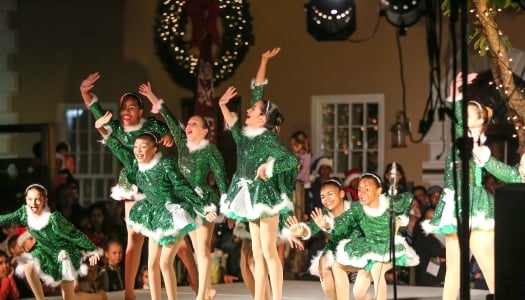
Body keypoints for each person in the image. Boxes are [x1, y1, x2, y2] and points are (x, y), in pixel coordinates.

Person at [423, 72, 523, 300]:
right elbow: (458, 122)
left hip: (476, 207)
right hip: (455, 205)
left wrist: (519, 173)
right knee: (454, 268)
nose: (462, 117)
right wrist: (456, 94)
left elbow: (507, 173)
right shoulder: (462, 140)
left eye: (469, 114)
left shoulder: (480, 149)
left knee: (489, 265)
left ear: (480, 121)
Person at [94, 117, 216, 300]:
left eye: (143, 147)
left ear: (154, 148)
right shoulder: (135, 165)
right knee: (152, 264)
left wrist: (204, 208)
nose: (138, 151)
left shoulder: (166, 165)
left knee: (165, 263)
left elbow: (183, 187)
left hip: (172, 214)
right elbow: (116, 146)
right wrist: (100, 128)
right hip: (153, 214)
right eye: (136, 147)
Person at [80, 72, 173, 300]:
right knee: (134, 239)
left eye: (132, 108)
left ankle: (187, 281)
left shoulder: (151, 124)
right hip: (132, 182)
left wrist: (169, 135)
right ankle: (129, 291)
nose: (126, 112)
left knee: (165, 240)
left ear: (141, 111)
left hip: (154, 182)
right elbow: (98, 114)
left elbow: (175, 130)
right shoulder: (119, 129)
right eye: (123, 108)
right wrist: (84, 91)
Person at [218, 47, 298, 300]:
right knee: (256, 251)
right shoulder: (244, 136)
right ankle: (260, 297)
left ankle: (276, 298)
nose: (249, 111)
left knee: (269, 251)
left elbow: (291, 159)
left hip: (265, 196)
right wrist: (222, 104)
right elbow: (251, 99)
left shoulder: (266, 138)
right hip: (248, 195)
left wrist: (269, 167)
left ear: (263, 119)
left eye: (254, 110)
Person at [138, 81, 229, 300]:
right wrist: (151, 94)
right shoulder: (181, 141)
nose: (189, 126)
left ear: (205, 131)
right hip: (181, 203)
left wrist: (227, 209)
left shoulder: (210, 151)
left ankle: (202, 294)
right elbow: (168, 116)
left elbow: (221, 178)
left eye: (195, 124)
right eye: (188, 123)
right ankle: (201, 291)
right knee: (171, 255)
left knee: (202, 249)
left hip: (203, 201)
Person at [0, 184, 102, 300]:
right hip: (43, 251)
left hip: (63, 253)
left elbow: (75, 234)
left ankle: (98, 297)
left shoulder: (54, 219)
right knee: (28, 264)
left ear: (44, 200)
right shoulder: (23, 213)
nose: (33, 203)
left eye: (37, 199)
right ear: (26, 200)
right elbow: (4, 219)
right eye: (30, 199)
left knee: (70, 298)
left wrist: (92, 249)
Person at [328, 173, 419, 300]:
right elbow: (343, 222)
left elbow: (408, 197)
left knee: (377, 268)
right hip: (369, 248)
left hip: (389, 248)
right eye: (359, 189)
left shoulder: (388, 203)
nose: (362, 193)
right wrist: (327, 223)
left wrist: (400, 218)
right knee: (358, 293)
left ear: (378, 191)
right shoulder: (358, 208)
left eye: (367, 189)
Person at [285, 177, 357, 300]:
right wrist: (300, 230)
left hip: (357, 247)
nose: (326, 199)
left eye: (330, 194)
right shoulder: (323, 213)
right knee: (323, 266)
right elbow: (311, 227)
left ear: (341, 194)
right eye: (323, 196)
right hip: (334, 249)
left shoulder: (354, 208)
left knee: (340, 268)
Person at [412, 207, 445, 287]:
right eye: (429, 218)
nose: (432, 221)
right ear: (424, 220)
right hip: (428, 281)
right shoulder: (422, 236)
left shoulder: (439, 232)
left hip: (439, 279)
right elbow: (438, 251)